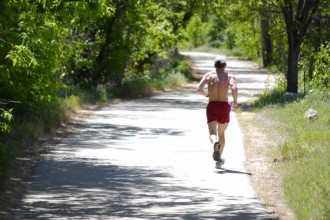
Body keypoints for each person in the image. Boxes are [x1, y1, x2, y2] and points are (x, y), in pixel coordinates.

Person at [196, 56, 238, 165]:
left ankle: (214, 142)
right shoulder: (229, 76)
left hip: (212, 105)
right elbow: (234, 88)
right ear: (225, 65)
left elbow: (199, 89)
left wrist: (207, 95)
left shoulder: (209, 76)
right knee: (222, 133)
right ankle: (219, 160)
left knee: (212, 133)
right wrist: (235, 100)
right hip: (224, 106)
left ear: (215, 66)